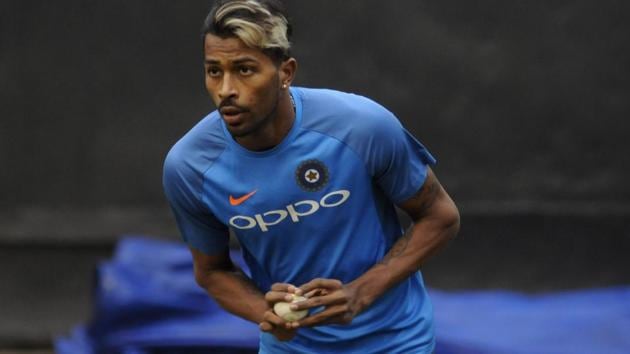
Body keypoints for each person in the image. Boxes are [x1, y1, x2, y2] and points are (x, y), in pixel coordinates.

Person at [163, 0, 460, 352]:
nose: (226, 89)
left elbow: (440, 217)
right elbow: (212, 272)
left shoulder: (362, 127)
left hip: (395, 342)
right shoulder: (189, 167)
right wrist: (265, 311)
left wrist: (360, 292)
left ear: (285, 72)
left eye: (244, 70)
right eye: (214, 71)